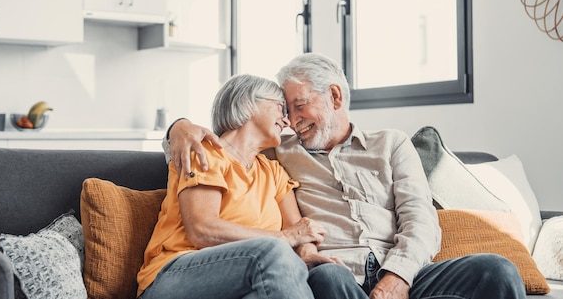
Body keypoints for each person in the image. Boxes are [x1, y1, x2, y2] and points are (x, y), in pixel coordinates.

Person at [166, 53, 526, 299]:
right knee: (330, 278)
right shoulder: (280, 150)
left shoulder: (391, 144)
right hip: (338, 273)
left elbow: (421, 221)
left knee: (497, 270)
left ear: (334, 96)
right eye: (285, 109)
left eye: (299, 105)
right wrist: (177, 127)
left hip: (399, 270)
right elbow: (227, 141)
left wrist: (398, 277)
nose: (291, 119)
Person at [137, 73, 358, 299]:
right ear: (249, 103)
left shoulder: (273, 172)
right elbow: (202, 229)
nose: (288, 121)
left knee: (330, 274)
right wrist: (284, 238)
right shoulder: (203, 152)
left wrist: (307, 252)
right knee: (275, 252)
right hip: (175, 275)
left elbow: (298, 230)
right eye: (281, 108)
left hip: (246, 281)